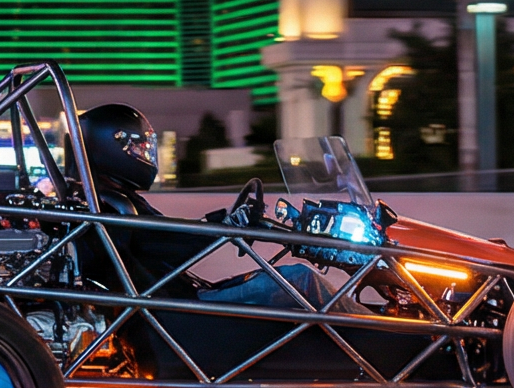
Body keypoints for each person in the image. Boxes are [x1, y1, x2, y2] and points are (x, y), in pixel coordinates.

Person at [79, 102, 337, 310]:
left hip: (178, 299)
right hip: (183, 308)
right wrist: (225, 227)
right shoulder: (116, 206)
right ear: (111, 146)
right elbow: (166, 243)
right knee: (301, 279)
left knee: (290, 281)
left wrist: (222, 224)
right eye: (138, 147)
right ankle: (375, 340)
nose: (145, 155)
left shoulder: (111, 200)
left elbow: (165, 238)